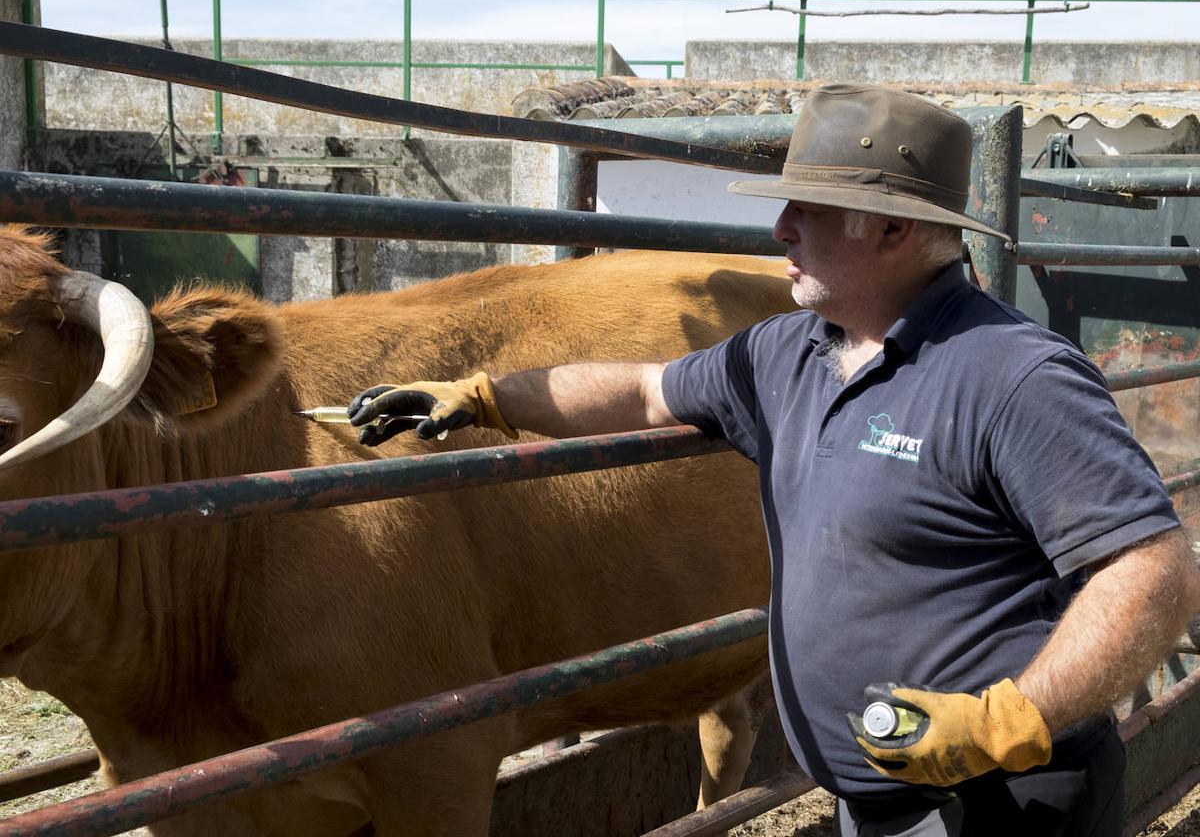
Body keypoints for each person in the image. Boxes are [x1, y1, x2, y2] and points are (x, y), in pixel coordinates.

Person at [346, 84, 1200, 836]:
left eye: (811, 210)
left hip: (1008, 797)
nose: (781, 228)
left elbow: (1153, 572)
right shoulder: (785, 353)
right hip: (877, 795)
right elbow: (645, 391)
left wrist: (1006, 721)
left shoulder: (1013, 377)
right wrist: (491, 396)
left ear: (896, 226)